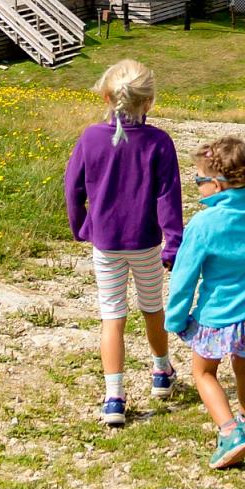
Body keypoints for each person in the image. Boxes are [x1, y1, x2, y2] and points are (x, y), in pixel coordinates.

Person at [62, 59, 183, 427]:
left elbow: (72, 188)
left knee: (112, 317)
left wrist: (81, 226)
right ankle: (161, 372)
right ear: (149, 102)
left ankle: (114, 397)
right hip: (145, 243)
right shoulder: (159, 142)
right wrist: (173, 244)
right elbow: (169, 197)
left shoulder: (90, 137)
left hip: (107, 244)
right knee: (151, 308)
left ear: (106, 96)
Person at [165, 136, 245, 469]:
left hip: (216, 315)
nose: (197, 188)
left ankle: (229, 432)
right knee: (244, 367)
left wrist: (176, 319)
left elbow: (183, 277)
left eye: (199, 181)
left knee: (204, 372)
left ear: (217, 184)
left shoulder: (204, 225)